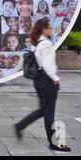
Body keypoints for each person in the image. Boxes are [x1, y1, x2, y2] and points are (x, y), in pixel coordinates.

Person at [15, 18, 71, 152]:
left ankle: (20, 125)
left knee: (42, 110)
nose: (51, 30)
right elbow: (47, 64)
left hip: (38, 80)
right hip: (47, 80)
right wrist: (55, 78)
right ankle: (54, 143)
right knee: (49, 112)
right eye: (49, 28)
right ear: (44, 30)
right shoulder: (45, 44)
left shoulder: (36, 43)